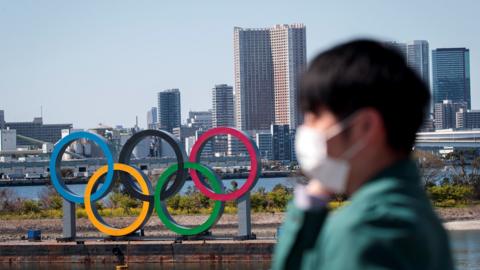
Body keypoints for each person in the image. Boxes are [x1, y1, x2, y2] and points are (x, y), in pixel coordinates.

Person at [272, 39, 454, 270]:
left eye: (315, 116)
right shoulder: (417, 214)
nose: (306, 128)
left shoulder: (362, 230)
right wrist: (312, 203)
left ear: (365, 127)